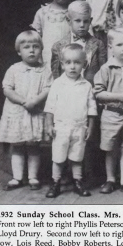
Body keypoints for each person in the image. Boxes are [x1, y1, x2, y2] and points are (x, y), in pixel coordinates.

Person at [0, 31, 53, 191]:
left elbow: (48, 88)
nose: (31, 50)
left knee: (33, 146)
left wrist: (35, 100)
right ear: (18, 51)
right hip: (17, 113)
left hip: (35, 112)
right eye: (27, 47)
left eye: (35, 47)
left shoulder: (45, 70)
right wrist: (23, 101)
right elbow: (7, 89)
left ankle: (33, 177)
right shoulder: (14, 69)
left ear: (41, 50)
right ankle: (17, 177)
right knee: (17, 145)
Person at [44, 44, 97, 198]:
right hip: (61, 128)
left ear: (84, 64)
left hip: (80, 127)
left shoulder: (86, 86)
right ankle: (56, 182)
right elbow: (50, 107)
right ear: (62, 64)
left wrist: (90, 127)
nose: (72, 67)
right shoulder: (57, 84)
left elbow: (92, 109)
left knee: (77, 156)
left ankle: (78, 182)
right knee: (58, 157)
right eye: (68, 63)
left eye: (77, 62)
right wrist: (49, 125)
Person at [94, 27, 123, 196]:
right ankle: (110, 179)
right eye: (119, 45)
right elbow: (98, 93)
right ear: (110, 46)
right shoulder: (106, 69)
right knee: (110, 148)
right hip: (111, 114)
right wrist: (119, 96)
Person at [51, 0, 107, 84]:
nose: (82, 25)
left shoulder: (98, 45)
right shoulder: (58, 46)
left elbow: (104, 73)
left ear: (90, 21)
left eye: (85, 21)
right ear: (68, 20)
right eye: (77, 21)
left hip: (90, 90)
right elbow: (56, 75)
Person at [31, 0, 73, 68]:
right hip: (47, 57)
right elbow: (36, 39)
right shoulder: (43, 12)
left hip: (69, 58)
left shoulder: (73, 12)